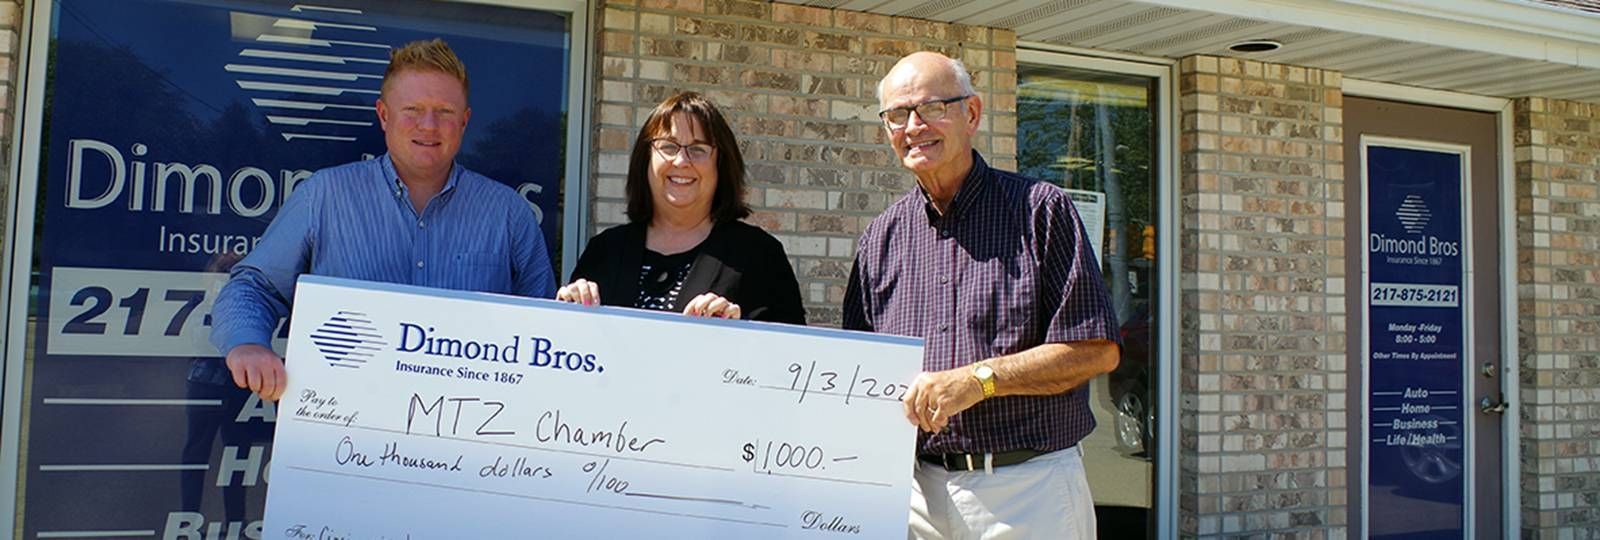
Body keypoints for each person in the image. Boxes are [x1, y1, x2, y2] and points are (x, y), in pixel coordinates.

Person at [843, 52, 1121, 539]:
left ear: (971, 114)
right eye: (896, 115)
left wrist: (979, 380)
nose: (913, 126)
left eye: (931, 108)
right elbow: (858, 371)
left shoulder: (1041, 213)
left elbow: (1094, 351)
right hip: (913, 497)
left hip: (1027, 492)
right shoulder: (881, 239)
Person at [209, 39, 555, 401]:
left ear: (465, 121)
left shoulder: (508, 213)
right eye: (412, 109)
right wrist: (248, 343)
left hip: (470, 439)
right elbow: (253, 288)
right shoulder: (324, 196)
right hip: (342, 433)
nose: (428, 125)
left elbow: (545, 329)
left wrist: (576, 316)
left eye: (444, 112)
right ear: (384, 115)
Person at [555, 91, 804, 324]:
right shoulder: (605, 251)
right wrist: (567, 314)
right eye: (668, 147)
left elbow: (793, 359)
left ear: (721, 164)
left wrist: (739, 333)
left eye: (698, 149)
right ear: (646, 161)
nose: (682, 161)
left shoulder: (759, 256)